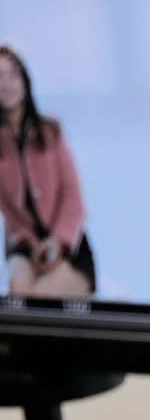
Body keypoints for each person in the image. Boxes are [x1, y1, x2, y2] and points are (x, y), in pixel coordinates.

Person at [0, 45, 95, 299]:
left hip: (68, 244)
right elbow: (6, 210)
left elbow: (73, 198)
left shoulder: (51, 131)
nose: (6, 84)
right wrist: (30, 243)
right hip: (24, 245)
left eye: (12, 74)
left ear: (24, 81)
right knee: (18, 295)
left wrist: (57, 242)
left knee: (39, 300)